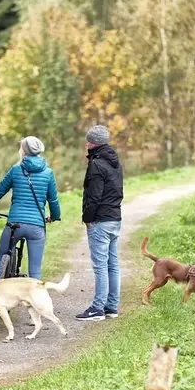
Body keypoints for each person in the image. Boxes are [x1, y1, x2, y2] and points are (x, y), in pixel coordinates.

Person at [0, 136, 61, 282]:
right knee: (35, 270)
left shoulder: (16, 170)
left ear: (23, 150)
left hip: (14, 225)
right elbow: (53, 200)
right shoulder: (48, 173)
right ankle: (37, 302)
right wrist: (54, 216)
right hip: (36, 226)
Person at [76, 125, 124, 321]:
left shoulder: (96, 164)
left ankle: (97, 309)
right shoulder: (115, 163)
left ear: (93, 143)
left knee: (100, 266)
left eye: (88, 141)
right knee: (112, 264)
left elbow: (94, 197)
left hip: (100, 221)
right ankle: (111, 307)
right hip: (114, 218)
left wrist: (88, 219)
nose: (86, 144)